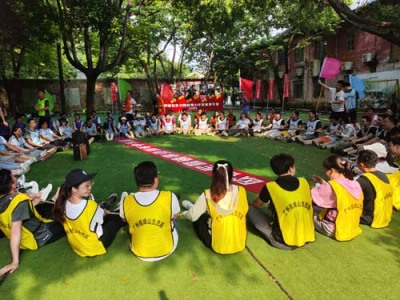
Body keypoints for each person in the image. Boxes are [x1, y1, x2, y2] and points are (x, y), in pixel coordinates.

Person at [0, 169, 65, 275]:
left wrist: (35, 198)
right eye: (14, 177)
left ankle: (54, 199)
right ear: (12, 185)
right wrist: (15, 262)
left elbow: (19, 212)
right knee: (68, 219)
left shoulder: (10, 199)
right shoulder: (18, 201)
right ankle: (58, 200)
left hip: (29, 230)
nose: (16, 177)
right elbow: (15, 232)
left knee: (41, 207)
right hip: (40, 236)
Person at [247, 154, 314, 250]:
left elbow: (256, 204)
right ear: (291, 169)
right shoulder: (304, 182)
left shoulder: (271, 187)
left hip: (282, 242)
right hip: (307, 237)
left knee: (249, 208)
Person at [52, 169, 125, 257]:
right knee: (115, 219)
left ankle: (104, 206)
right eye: (86, 186)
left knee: (96, 215)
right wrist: (104, 212)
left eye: (90, 183)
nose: (90, 187)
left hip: (77, 245)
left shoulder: (62, 202)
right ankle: (120, 207)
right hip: (94, 246)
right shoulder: (90, 205)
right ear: (74, 189)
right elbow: (103, 215)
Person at [182, 160, 248, 254]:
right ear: (231, 175)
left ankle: (191, 207)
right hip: (238, 242)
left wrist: (184, 214)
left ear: (213, 174)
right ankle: (193, 207)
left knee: (199, 218)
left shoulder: (208, 194)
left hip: (217, 243)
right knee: (208, 214)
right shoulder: (242, 191)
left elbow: (192, 216)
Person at [119, 161, 180, 261]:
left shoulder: (127, 201)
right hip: (167, 249)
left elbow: (124, 219)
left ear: (137, 181)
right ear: (156, 179)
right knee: (173, 220)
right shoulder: (169, 196)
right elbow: (175, 216)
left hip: (139, 252)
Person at [311, 155, 363, 241]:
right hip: (351, 227)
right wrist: (324, 183)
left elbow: (313, 196)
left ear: (331, 171)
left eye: (325, 170)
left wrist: (320, 186)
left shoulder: (331, 186)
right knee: (317, 209)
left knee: (305, 211)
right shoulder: (355, 184)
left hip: (333, 228)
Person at [356, 150, 393, 228]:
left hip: (369, 218)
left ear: (361, 165)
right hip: (385, 217)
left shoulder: (364, 180)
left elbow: (347, 192)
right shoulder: (383, 175)